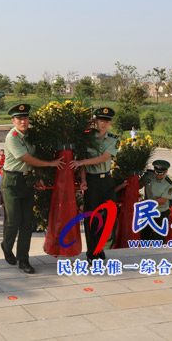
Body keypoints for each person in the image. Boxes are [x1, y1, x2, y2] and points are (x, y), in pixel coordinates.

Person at [2, 104, 64, 274]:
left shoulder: (32, 135)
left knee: (27, 223)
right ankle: (6, 247)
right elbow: (28, 158)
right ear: (13, 120)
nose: (23, 121)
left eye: (25, 118)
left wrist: (39, 176)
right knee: (13, 221)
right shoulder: (12, 137)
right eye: (19, 118)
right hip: (12, 181)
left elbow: (34, 160)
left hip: (28, 180)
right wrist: (50, 164)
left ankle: (23, 259)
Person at [70, 107, 120, 262]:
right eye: (101, 120)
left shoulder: (114, 139)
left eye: (107, 121)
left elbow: (104, 158)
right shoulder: (87, 138)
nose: (104, 123)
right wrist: (83, 179)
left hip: (107, 181)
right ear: (95, 121)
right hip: (92, 180)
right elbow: (84, 164)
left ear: (110, 123)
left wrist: (82, 162)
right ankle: (92, 252)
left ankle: (100, 246)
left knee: (109, 216)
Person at [139, 160, 172, 243]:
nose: (158, 175)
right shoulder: (149, 176)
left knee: (159, 237)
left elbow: (163, 200)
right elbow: (138, 185)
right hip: (148, 212)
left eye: (160, 173)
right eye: (156, 172)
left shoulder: (169, 184)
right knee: (144, 235)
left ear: (166, 172)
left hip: (161, 212)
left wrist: (146, 202)